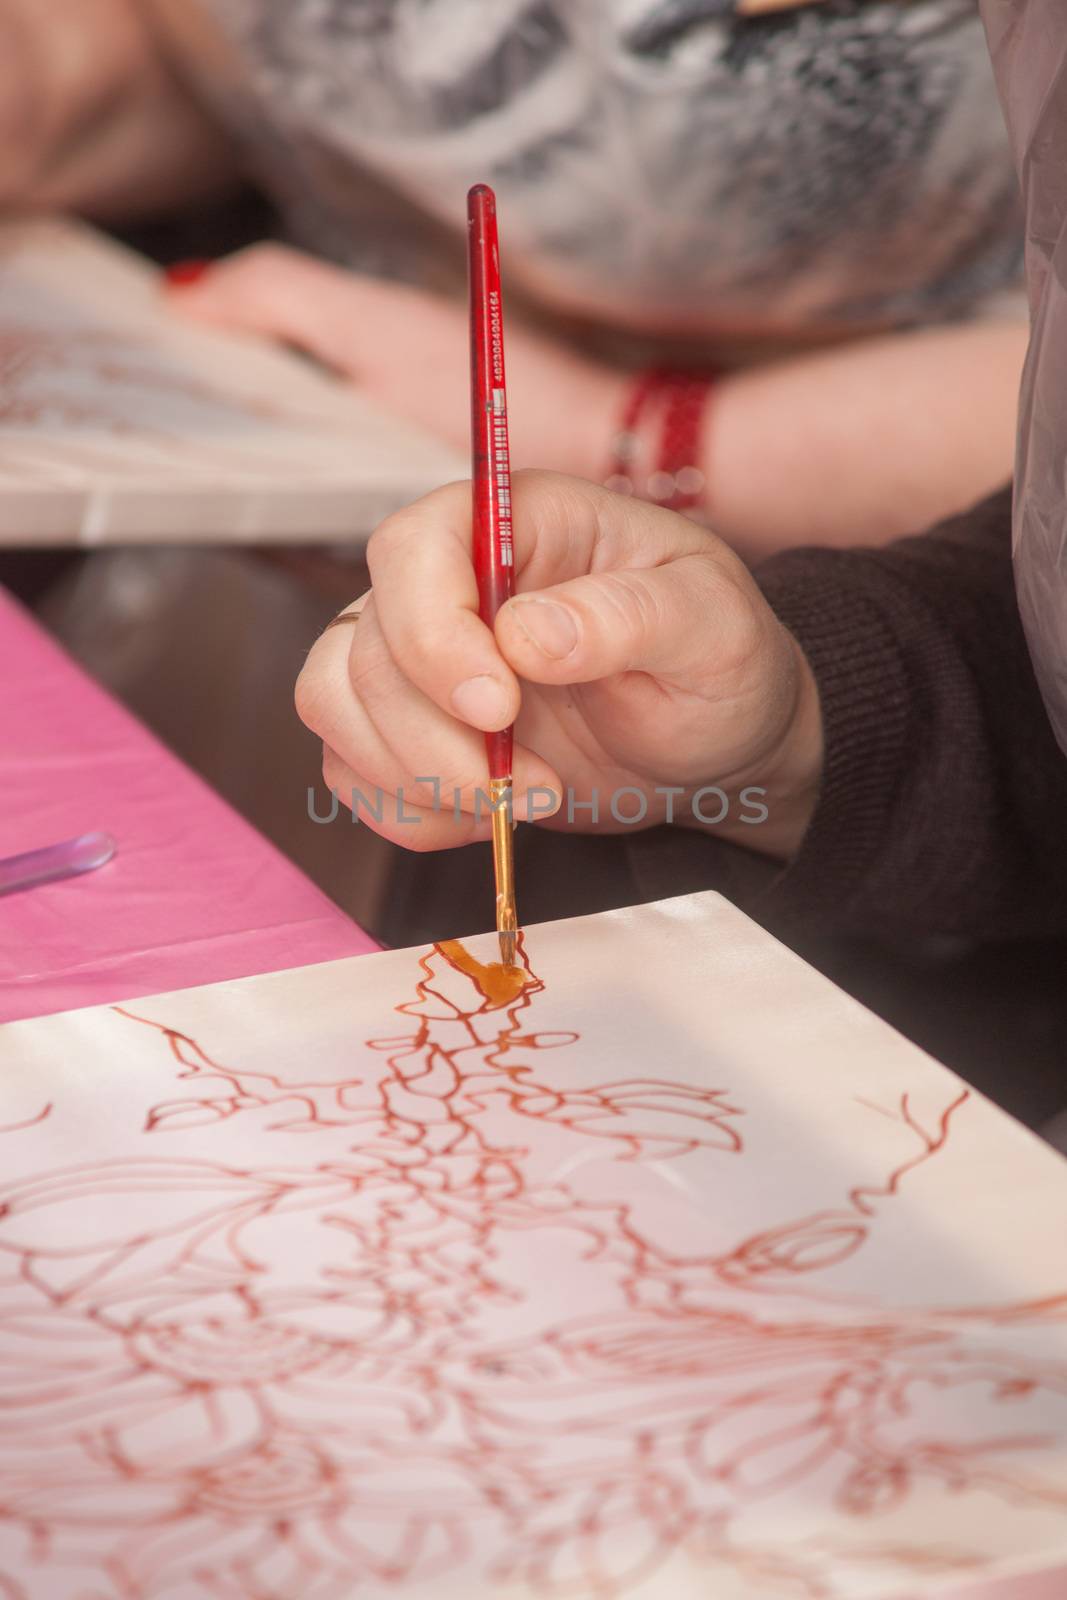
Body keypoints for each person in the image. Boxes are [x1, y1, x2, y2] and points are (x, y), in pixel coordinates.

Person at [1, 0, 1028, 555]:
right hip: (281, 522)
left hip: (845, 642)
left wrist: (614, 438)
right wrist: (47, 80)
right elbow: (258, 64)